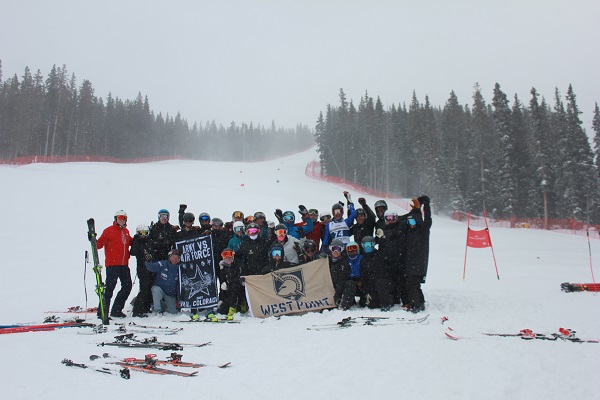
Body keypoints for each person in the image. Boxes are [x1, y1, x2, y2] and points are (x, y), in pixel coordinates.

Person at [96, 210, 134, 318]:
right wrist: (93, 240)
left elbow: (131, 241)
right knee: (109, 288)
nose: (121, 220)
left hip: (124, 265)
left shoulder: (126, 231)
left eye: (123, 218)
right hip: (112, 265)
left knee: (127, 286)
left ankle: (116, 310)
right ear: (115, 219)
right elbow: (99, 244)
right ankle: (102, 311)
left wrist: (141, 238)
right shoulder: (109, 230)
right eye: (119, 218)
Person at [402, 197, 431, 313]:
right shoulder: (409, 232)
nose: (411, 224)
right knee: (413, 283)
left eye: (413, 222)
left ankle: (416, 304)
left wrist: (426, 207)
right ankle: (420, 302)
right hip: (410, 261)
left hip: (418, 262)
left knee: (411, 284)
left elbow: (427, 220)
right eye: (410, 222)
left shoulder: (422, 230)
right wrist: (415, 210)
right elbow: (403, 218)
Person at [145, 248, 182, 315]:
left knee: (173, 312)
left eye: (177, 258)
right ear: (170, 257)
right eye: (173, 257)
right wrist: (149, 261)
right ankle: (157, 310)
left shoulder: (180, 268)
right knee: (156, 290)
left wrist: (179, 300)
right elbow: (152, 267)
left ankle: (164, 305)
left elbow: (179, 286)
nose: (175, 260)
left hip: (170, 293)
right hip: (160, 289)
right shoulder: (163, 264)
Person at [130, 224, 153, 317]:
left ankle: (146, 307)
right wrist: (137, 241)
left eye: (145, 233)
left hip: (150, 267)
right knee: (144, 288)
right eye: (141, 233)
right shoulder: (138, 241)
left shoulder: (150, 241)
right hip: (142, 268)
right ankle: (137, 309)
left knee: (149, 288)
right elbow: (133, 252)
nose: (143, 235)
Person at [217, 248, 244, 320]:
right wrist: (221, 299)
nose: (228, 258)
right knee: (222, 311)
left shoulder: (238, 264)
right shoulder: (223, 267)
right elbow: (222, 282)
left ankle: (234, 307)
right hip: (228, 291)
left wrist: (229, 282)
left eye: (229, 256)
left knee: (234, 287)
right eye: (225, 256)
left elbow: (239, 278)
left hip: (238, 290)